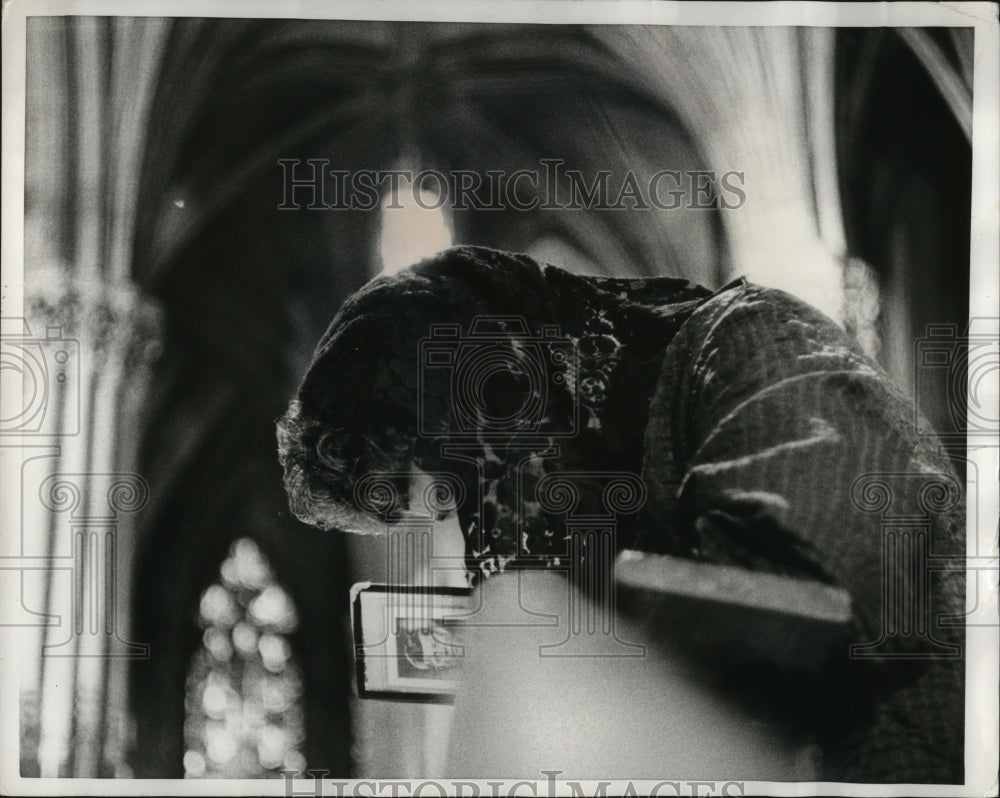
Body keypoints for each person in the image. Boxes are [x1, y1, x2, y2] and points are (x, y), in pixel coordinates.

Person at [277, 245, 965, 783]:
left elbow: (819, 606)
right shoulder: (575, 478)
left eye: (451, 487)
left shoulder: (750, 342)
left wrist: (538, 624)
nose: (474, 521)